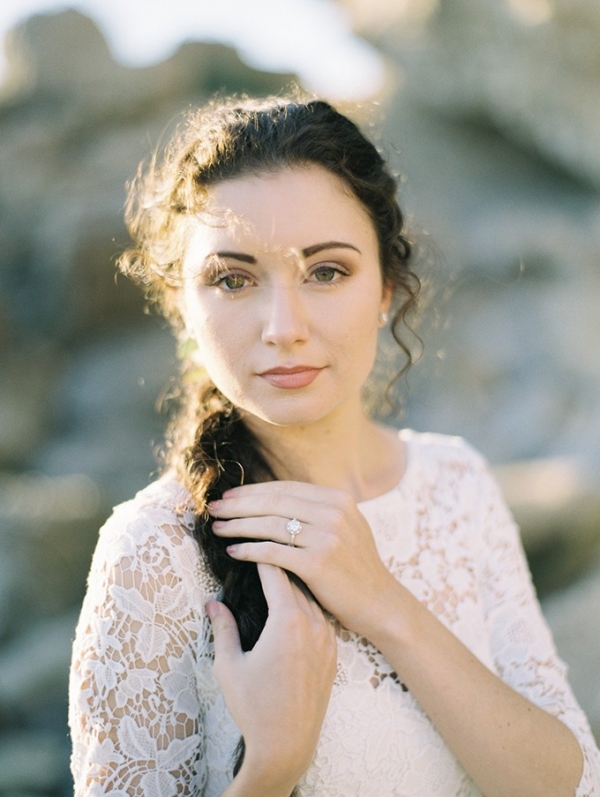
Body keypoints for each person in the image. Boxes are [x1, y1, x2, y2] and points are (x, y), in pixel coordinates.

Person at [68, 94, 600, 797]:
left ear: (386, 287)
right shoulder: (151, 550)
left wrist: (383, 601)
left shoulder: (456, 482)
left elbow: (566, 780)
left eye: (326, 271)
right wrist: (271, 765)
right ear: (183, 308)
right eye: (233, 279)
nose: (284, 326)